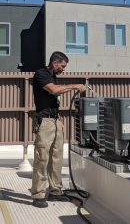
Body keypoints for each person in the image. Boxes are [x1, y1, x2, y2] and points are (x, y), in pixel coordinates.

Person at [31, 51, 86, 208]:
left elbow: (53, 100)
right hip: (45, 122)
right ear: (55, 62)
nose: (63, 69)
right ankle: (38, 194)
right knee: (42, 158)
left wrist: (59, 119)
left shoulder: (53, 76)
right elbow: (54, 90)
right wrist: (75, 85)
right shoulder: (41, 74)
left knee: (57, 157)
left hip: (55, 121)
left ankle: (55, 191)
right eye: (62, 66)